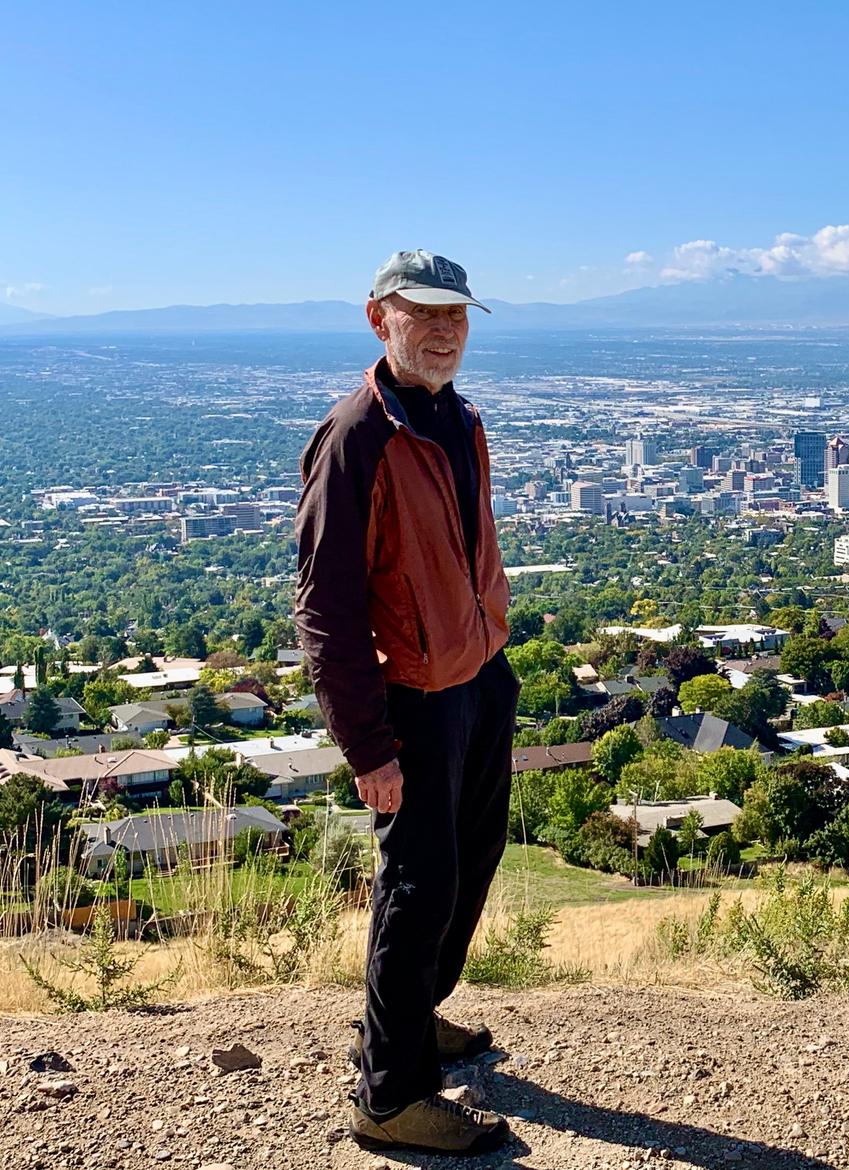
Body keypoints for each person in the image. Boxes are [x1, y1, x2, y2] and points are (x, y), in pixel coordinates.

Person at [295, 250, 519, 1155]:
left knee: (471, 862)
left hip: (476, 676)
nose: (441, 331)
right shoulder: (358, 436)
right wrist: (367, 745)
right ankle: (389, 1097)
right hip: (410, 699)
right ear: (376, 318)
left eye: (456, 316)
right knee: (418, 886)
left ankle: (411, 1017)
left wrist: (492, 653)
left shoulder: (457, 419)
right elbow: (325, 606)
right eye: (420, 313)